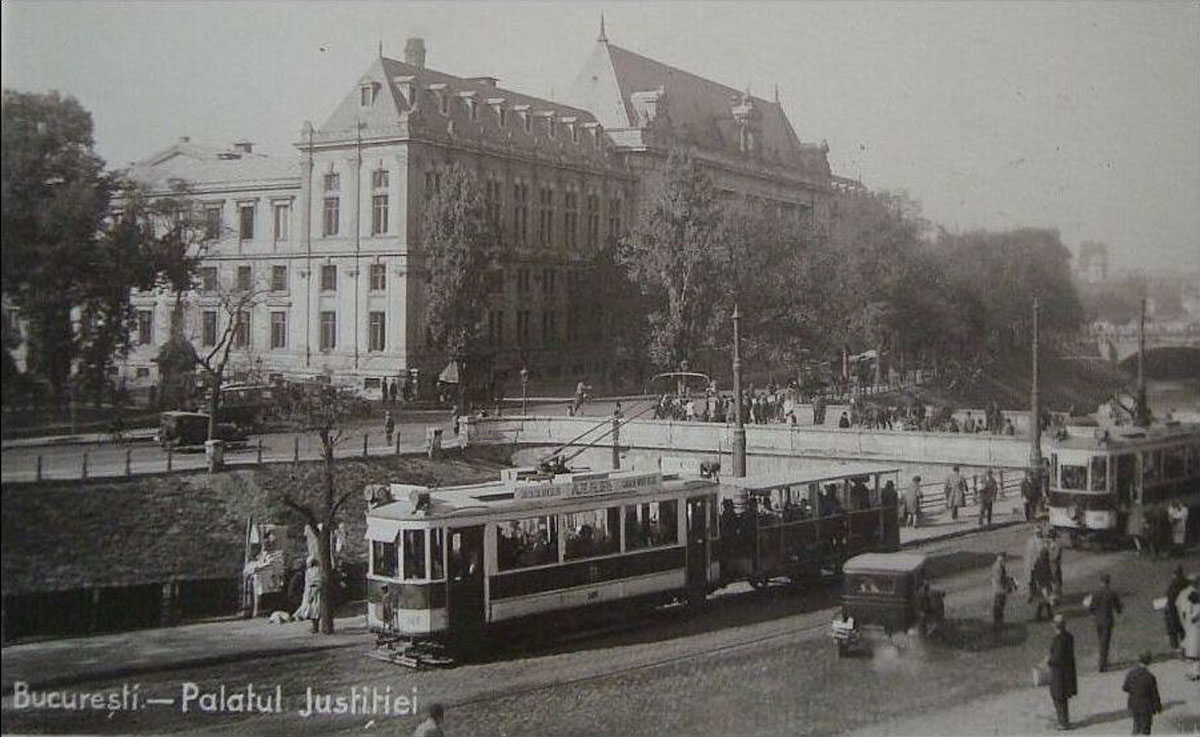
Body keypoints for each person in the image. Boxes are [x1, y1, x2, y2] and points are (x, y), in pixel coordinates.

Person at [1047, 614, 1077, 731]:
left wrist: (1049, 661)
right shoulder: (1069, 636)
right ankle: (1064, 720)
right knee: (1062, 697)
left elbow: (1057, 658)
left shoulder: (1059, 639)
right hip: (1067, 671)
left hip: (1059, 672)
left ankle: (1063, 722)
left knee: (1058, 696)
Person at [1089, 572, 1123, 672]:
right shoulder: (1112, 593)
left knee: (1101, 641)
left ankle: (1103, 660)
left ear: (1101, 582)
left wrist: (1094, 614)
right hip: (1107, 620)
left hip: (1098, 621)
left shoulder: (1096, 593)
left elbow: (1091, 608)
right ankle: (1102, 663)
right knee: (1105, 642)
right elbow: (1118, 608)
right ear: (1109, 582)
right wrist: (1120, 609)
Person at [1122, 651, 1162, 735]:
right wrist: (1158, 707)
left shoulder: (1131, 673)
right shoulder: (1150, 677)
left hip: (1133, 703)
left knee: (1136, 725)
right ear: (1149, 661)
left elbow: (1125, 688)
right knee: (1146, 729)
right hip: (1145, 706)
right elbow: (1154, 695)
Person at [294, 556, 326, 633]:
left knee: (314, 610)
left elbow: (317, 582)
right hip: (311, 591)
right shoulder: (312, 571)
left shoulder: (315, 571)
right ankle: (315, 626)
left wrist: (311, 593)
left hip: (314, 591)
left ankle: (315, 627)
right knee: (313, 610)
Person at [1178, 578, 1200, 681]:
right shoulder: (1193, 605)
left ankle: (1194, 672)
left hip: (1193, 631)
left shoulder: (1194, 606)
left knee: (1193, 654)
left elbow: (1188, 615)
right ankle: (1194, 672)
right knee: (1194, 653)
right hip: (1193, 631)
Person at [1165, 566, 1188, 651]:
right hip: (1181, 607)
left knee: (1173, 628)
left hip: (1174, 608)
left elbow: (1168, 594)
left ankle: (1176, 647)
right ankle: (1184, 645)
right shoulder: (1185, 582)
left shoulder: (1175, 582)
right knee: (1182, 628)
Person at [991, 553, 1014, 630]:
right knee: (999, 607)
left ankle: (998, 623)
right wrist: (1008, 585)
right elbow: (1000, 579)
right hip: (1000, 590)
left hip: (998, 589)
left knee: (999, 607)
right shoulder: (998, 567)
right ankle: (998, 624)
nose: (1005, 560)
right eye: (1004, 559)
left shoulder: (997, 566)